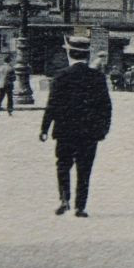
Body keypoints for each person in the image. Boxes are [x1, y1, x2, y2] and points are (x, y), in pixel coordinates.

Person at [40, 37, 114, 217]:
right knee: (84, 169)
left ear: (69, 53)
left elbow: (52, 105)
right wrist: (103, 130)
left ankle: (64, 200)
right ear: (87, 55)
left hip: (65, 132)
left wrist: (44, 129)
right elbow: (106, 107)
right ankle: (80, 207)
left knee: (63, 165)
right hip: (89, 133)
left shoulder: (60, 76)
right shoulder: (97, 77)